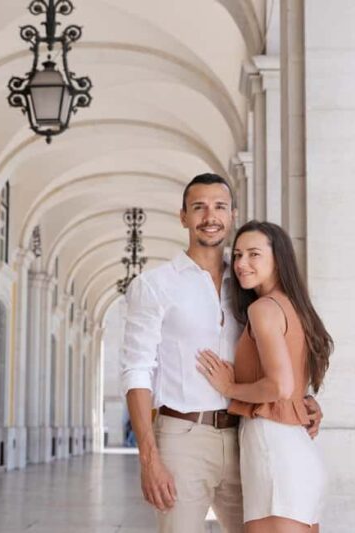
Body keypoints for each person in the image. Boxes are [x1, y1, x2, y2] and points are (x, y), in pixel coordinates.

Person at [121, 174, 323, 533]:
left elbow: (279, 346)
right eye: (198, 207)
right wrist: (149, 457)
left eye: (219, 207)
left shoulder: (249, 278)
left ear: (232, 215)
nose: (209, 216)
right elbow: (137, 370)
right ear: (183, 216)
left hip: (249, 434)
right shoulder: (155, 286)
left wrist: (298, 399)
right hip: (184, 437)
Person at [197, 220, 333, 532]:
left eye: (254, 254)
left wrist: (229, 386)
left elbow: (279, 386)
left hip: (273, 450)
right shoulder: (295, 307)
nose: (242, 263)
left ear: (278, 258)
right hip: (294, 448)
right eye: (239, 255)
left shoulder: (263, 309)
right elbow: (292, 384)